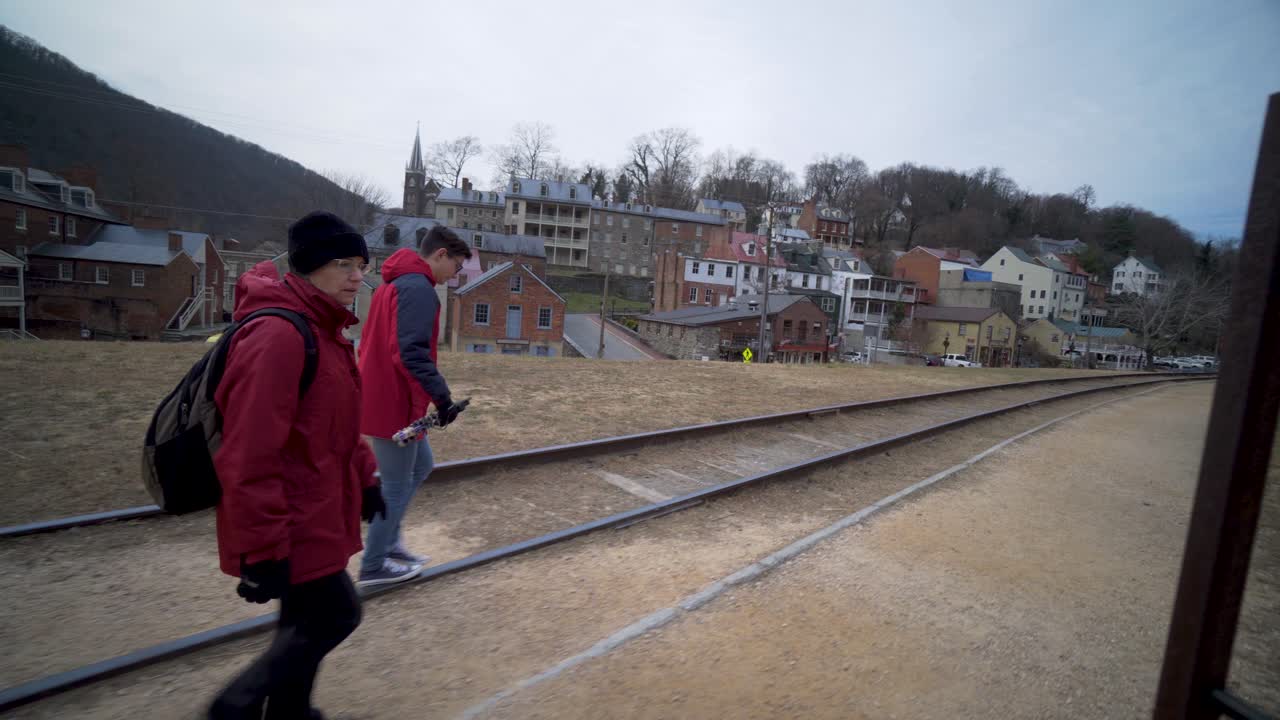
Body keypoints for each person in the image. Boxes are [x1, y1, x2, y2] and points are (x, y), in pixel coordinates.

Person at [208, 211, 385, 719]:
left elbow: (336, 427)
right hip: (289, 516)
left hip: (317, 504)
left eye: (362, 265)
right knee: (335, 614)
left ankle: (289, 712)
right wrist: (261, 547)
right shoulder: (280, 336)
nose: (358, 277)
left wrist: (366, 478)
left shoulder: (326, 331)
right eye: (345, 264)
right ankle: (234, 706)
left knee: (302, 621)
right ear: (310, 267)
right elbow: (247, 453)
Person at [358, 225, 471, 587]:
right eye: (456, 267)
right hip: (394, 401)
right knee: (394, 484)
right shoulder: (418, 289)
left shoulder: (393, 283)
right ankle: (374, 564)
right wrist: (443, 399)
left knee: (422, 465)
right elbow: (411, 354)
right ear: (440, 255)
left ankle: (390, 544)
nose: (455, 276)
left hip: (388, 395)